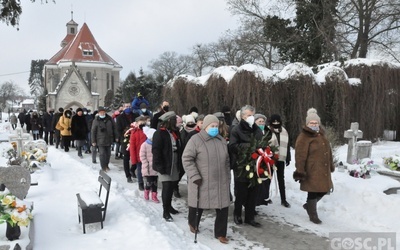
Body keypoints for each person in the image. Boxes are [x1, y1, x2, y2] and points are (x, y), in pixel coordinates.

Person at [182, 115, 231, 244]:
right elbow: (187, 158)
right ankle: (193, 223)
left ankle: (220, 233)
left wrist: (227, 177)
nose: (215, 128)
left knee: (223, 206)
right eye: (212, 126)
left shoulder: (221, 140)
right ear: (205, 127)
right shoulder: (196, 140)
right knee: (199, 204)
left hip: (221, 180)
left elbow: (226, 161)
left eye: (216, 126)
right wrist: (194, 175)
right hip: (201, 179)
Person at [293, 108, 334, 224]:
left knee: (324, 190)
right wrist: (300, 170)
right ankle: (313, 215)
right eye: (311, 123)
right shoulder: (304, 137)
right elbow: (300, 155)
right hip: (311, 170)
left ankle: (308, 206)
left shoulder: (321, 135)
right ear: (307, 124)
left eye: (316, 122)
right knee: (312, 191)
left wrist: (331, 164)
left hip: (323, 169)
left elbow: (329, 152)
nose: (314, 124)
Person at [229, 105, 263, 228]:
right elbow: (232, 146)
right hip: (241, 165)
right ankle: (237, 214)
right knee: (241, 192)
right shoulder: (236, 130)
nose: (251, 118)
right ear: (243, 116)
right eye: (249, 115)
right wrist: (248, 147)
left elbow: (262, 143)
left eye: (253, 115)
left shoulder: (257, 130)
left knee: (253, 192)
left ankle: (250, 217)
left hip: (255, 165)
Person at [152, 111, 182, 222]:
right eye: (174, 120)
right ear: (169, 121)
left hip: (173, 163)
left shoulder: (174, 132)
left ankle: (169, 206)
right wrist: (159, 166)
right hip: (165, 164)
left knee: (172, 185)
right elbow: (156, 151)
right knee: (167, 187)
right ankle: (165, 211)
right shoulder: (159, 133)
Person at [266, 114, 291, 208]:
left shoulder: (284, 131)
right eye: (274, 122)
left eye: (277, 122)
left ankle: (283, 199)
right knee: (268, 177)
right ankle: (266, 196)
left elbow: (287, 145)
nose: (276, 123)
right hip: (270, 158)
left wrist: (288, 157)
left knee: (281, 179)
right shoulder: (267, 131)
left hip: (281, 158)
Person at [91, 106, 118, 172]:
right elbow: (93, 131)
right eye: (101, 112)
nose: (102, 113)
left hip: (109, 139)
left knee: (108, 154)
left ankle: (106, 165)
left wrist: (116, 137)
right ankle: (103, 167)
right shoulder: (96, 120)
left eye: (103, 112)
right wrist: (93, 140)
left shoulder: (110, 119)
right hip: (100, 140)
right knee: (102, 154)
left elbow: (114, 128)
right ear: (98, 113)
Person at [116, 103, 138, 183]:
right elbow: (118, 129)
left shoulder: (135, 116)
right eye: (126, 106)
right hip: (126, 139)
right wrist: (126, 133)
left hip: (135, 138)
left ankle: (132, 169)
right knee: (126, 157)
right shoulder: (120, 118)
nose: (128, 108)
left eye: (129, 106)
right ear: (123, 108)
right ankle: (128, 175)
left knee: (137, 156)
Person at [139, 128, 159, 202]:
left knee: (155, 182)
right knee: (149, 182)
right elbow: (142, 155)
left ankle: (154, 196)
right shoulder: (144, 145)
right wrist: (145, 163)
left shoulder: (156, 144)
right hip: (147, 167)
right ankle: (146, 191)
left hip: (155, 167)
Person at [129, 116, 147, 191]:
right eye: (140, 122)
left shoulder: (147, 131)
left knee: (147, 169)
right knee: (139, 169)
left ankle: (149, 183)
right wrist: (133, 159)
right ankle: (140, 183)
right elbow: (132, 147)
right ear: (137, 123)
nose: (142, 124)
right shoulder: (134, 132)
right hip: (138, 155)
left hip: (147, 154)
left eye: (143, 122)